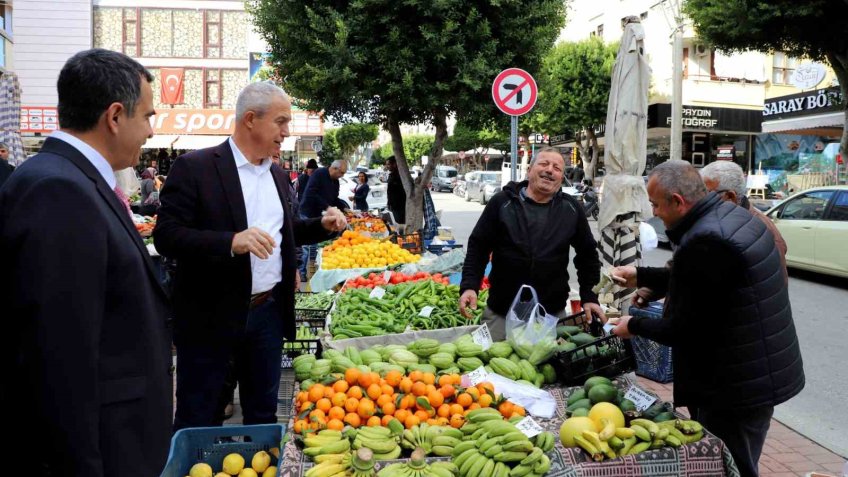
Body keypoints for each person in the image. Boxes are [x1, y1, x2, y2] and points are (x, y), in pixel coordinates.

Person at [0, 48, 171, 477]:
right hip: (104, 449)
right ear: (115, 116)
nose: (151, 131)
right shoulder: (58, 190)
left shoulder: (75, 179)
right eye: (148, 116)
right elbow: (58, 360)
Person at [153, 81, 347, 431]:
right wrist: (230, 241)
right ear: (250, 120)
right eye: (281, 122)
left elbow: (286, 230)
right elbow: (167, 236)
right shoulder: (195, 167)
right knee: (200, 417)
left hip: (267, 315)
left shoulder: (275, 173)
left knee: (262, 415)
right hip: (211, 317)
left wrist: (323, 225)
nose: (287, 132)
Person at [609, 160, 804, 477]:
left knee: (731, 465)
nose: (654, 213)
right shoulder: (733, 216)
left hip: (735, 385)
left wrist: (632, 325)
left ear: (678, 201)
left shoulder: (707, 239)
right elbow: (704, 281)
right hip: (753, 374)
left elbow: (682, 328)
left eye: (656, 205)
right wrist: (641, 275)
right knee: (737, 460)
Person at [458, 148, 604, 340]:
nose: (550, 170)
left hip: (550, 316)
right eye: (544, 164)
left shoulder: (571, 209)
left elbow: (588, 256)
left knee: (548, 368)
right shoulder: (502, 203)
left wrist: (589, 296)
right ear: (529, 169)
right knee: (495, 364)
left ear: (561, 177)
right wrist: (470, 285)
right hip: (502, 312)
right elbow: (479, 247)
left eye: (557, 168)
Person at [700, 160, 788, 281]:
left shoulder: (761, 230)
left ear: (730, 197)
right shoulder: (726, 220)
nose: (701, 200)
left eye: (707, 193)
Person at [386, 156, 406, 224]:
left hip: (399, 207)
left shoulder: (400, 176)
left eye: (388, 164)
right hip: (393, 206)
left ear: (394, 164)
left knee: (399, 224)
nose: (387, 166)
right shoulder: (391, 175)